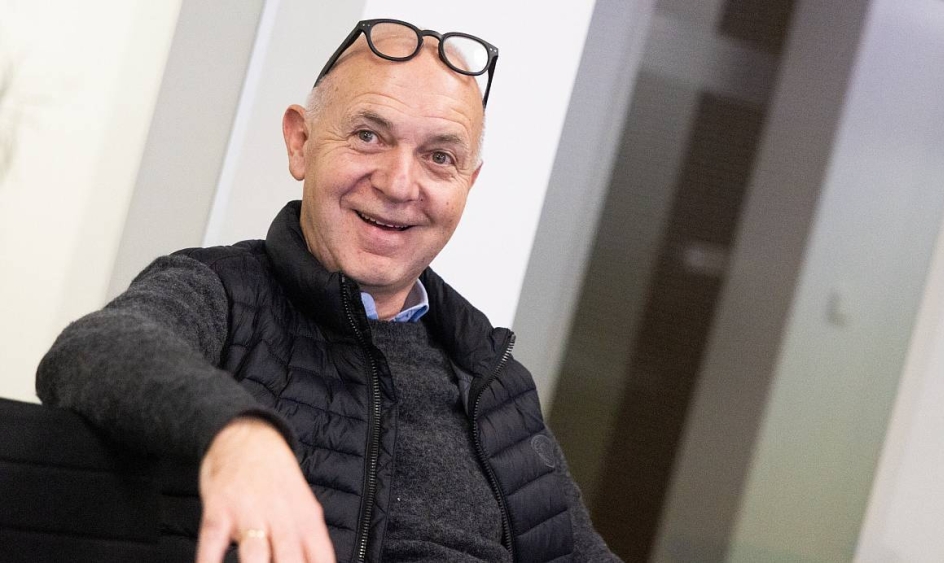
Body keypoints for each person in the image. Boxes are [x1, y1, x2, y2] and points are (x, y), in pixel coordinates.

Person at [36, 18, 619, 563]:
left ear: (468, 184)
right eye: (368, 136)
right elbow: (90, 351)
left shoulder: (493, 382)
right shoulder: (221, 294)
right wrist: (237, 435)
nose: (399, 184)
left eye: (439, 157)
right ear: (300, 142)